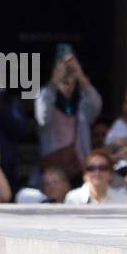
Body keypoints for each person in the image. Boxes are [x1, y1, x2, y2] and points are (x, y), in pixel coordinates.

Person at [35, 53, 102, 181]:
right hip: (53, 171)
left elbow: (96, 106)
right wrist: (54, 82)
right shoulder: (45, 95)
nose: (67, 80)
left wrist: (80, 75)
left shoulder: (81, 103)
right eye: (63, 75)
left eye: (70, 74)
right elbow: (42, 116)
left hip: (79, 169)